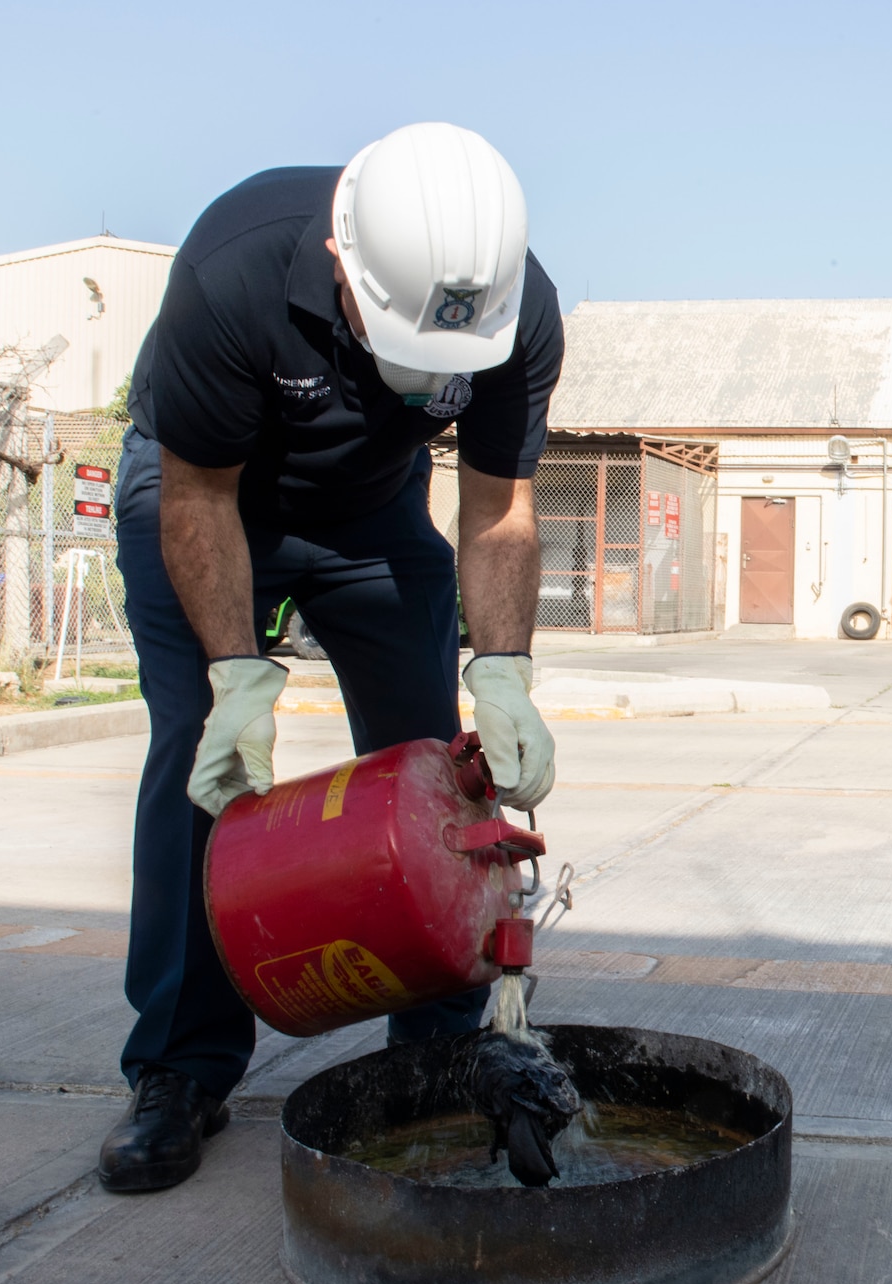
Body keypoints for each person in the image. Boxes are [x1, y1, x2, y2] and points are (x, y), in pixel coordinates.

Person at [98, 123, 563, 1193]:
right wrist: (233, 680)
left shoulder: (514, 305)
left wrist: (501, 671)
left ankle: (442, 1051)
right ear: (340, 265)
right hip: (209, 495)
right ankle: (179, 1067)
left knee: (432, 772)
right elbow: (200, 498)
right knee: (200, 770)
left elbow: (496, 505)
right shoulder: (236, 270)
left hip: (370, 512)